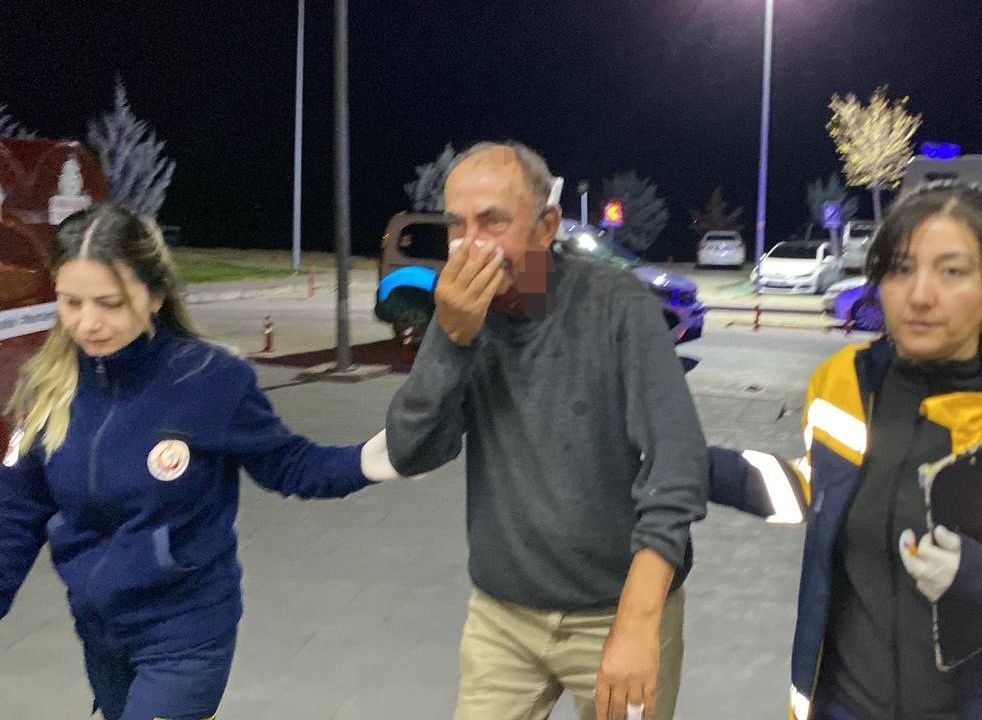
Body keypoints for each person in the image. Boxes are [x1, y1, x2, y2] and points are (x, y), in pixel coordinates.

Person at [708, 181, 982, 720]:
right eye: (901, 269)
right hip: (847, 706)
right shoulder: (842, 381)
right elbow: (824, 490)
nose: (920, 295)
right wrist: (701, 468)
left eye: (952, 272)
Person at [0, 205, 415, 720]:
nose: (88, 323)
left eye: (110, 303)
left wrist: (375, 459)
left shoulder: (209, 378)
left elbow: (288, 464)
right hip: (101, 635)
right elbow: (16, 512)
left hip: (186, 633)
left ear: (154, 296)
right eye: (71, 302)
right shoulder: (48, 383)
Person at [385, 141, 708, 720]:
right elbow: (411, 451)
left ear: (546, 226)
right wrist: (450, 340)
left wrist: (639, 623)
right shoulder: (464, 317)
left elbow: (678, 463)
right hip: (503, 618)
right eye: (457, 225)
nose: (470, 245)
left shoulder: (616, 305)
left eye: (493, 221)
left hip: (619, 610)